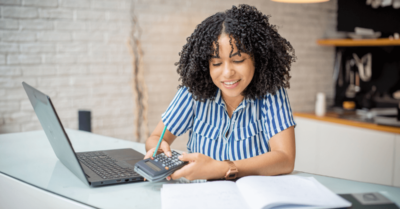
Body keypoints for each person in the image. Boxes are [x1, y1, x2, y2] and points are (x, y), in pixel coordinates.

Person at [144, 4, 296, 181]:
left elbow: (285, 158)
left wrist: (223, 168)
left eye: (238, 60)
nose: (227, 73)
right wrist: (159, 148)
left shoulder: (271, 93)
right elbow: (156, 137)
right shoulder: (194, 92)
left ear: (258, 59)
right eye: (216, 63)